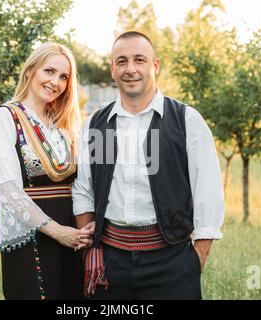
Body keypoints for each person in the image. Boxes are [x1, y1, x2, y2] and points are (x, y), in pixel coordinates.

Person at [73, 31, 225, 300]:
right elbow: (84, 191)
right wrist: (89, 251)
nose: (130, 69)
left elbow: (208, 193)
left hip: (171, 262)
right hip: (110, 263)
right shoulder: (96, 125)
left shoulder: (186, 120)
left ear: (155, 65)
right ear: (112, 69)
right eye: (121, 61)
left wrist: (195, 260)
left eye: (139, 60)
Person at [0, 42, 93, 300]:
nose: (56, 81)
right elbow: (6, 189)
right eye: (49, 71)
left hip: (72, 234)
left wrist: (84, 228)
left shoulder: (62, 125)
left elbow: (82, 182)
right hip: (33, 235)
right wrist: (57, 231)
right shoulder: (4, 118)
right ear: (30, 71)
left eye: (64, 77)